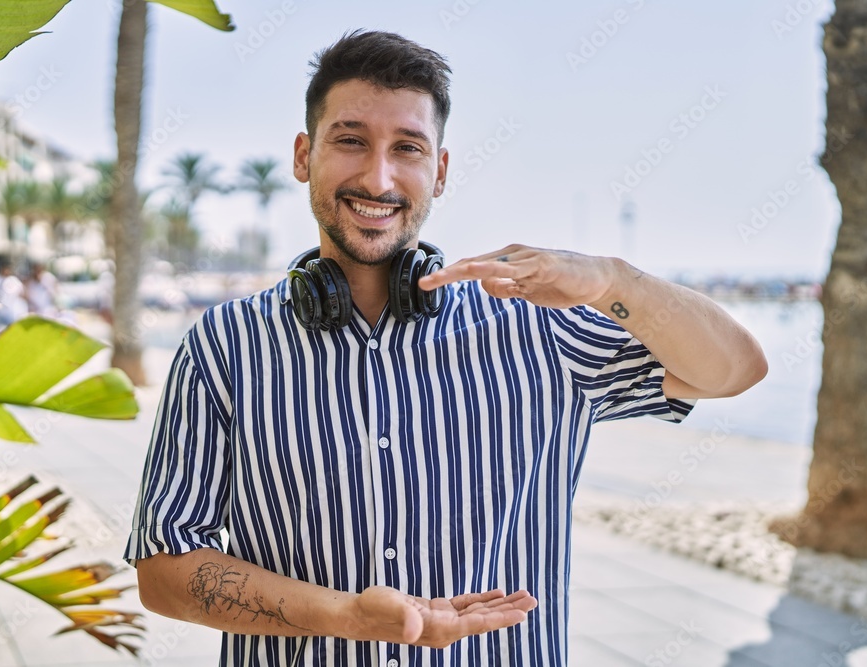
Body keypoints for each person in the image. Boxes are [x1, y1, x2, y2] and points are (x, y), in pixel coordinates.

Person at [125, 30, 767, 666]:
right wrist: (340, 615)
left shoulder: (536, 326)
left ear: (441, 170)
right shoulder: (225, 345)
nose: (378, 178)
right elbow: (164, 571)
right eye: (351, 140)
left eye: (407, 148)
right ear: (303, 155)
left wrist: (612, 280)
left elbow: (734, 370)